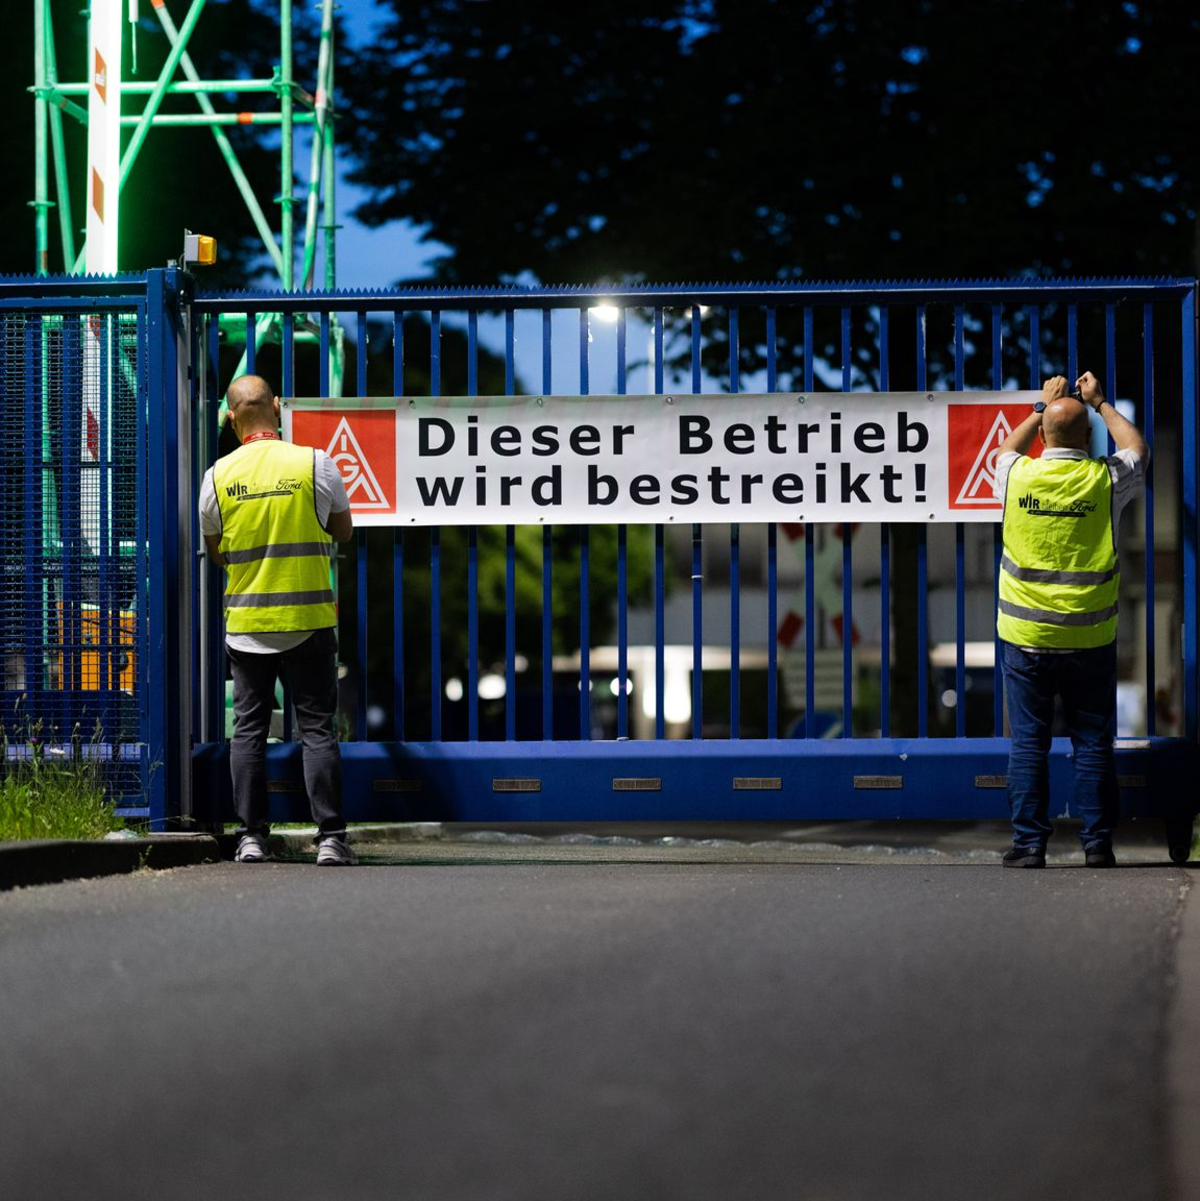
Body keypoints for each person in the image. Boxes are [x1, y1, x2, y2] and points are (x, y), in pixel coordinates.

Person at [198, 374, 356, 865]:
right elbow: (344, 532)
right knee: (316, 730)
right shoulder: (315, 463)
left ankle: (250, 837)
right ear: (278, 407)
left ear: (230, 417)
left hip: (247, 627)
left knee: (247, 730)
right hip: (308, 620)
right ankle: (330, 838)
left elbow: (216, 552)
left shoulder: (218, 476)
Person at [994, 371, 1148, 868]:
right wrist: (1100, 402)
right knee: (1091, 743)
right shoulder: (1104, 479)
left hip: (1025, 636)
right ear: (1089, 439)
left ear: (1043, 438)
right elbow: (1138, 449)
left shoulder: (1017, 475)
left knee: (1028, 744)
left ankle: (1028, 845)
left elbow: (1004, 449)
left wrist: (1041, 406)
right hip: (1090, 636)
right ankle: (1098, 844)